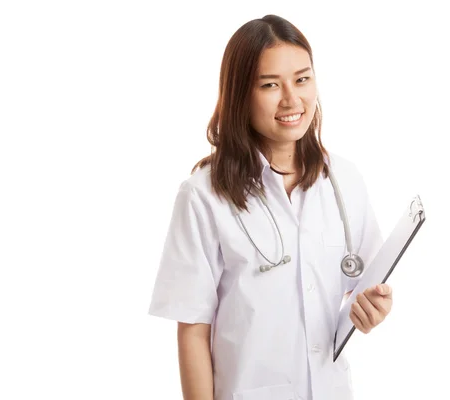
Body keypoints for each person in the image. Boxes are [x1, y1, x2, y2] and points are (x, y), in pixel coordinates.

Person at [148, 14, 393, 400]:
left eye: (302, 79)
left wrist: (371, 309)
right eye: (269, 85)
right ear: (240, 93)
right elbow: (193, 330)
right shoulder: (203, 196)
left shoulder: (344, 180)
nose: (292, 99)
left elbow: (359, 286)